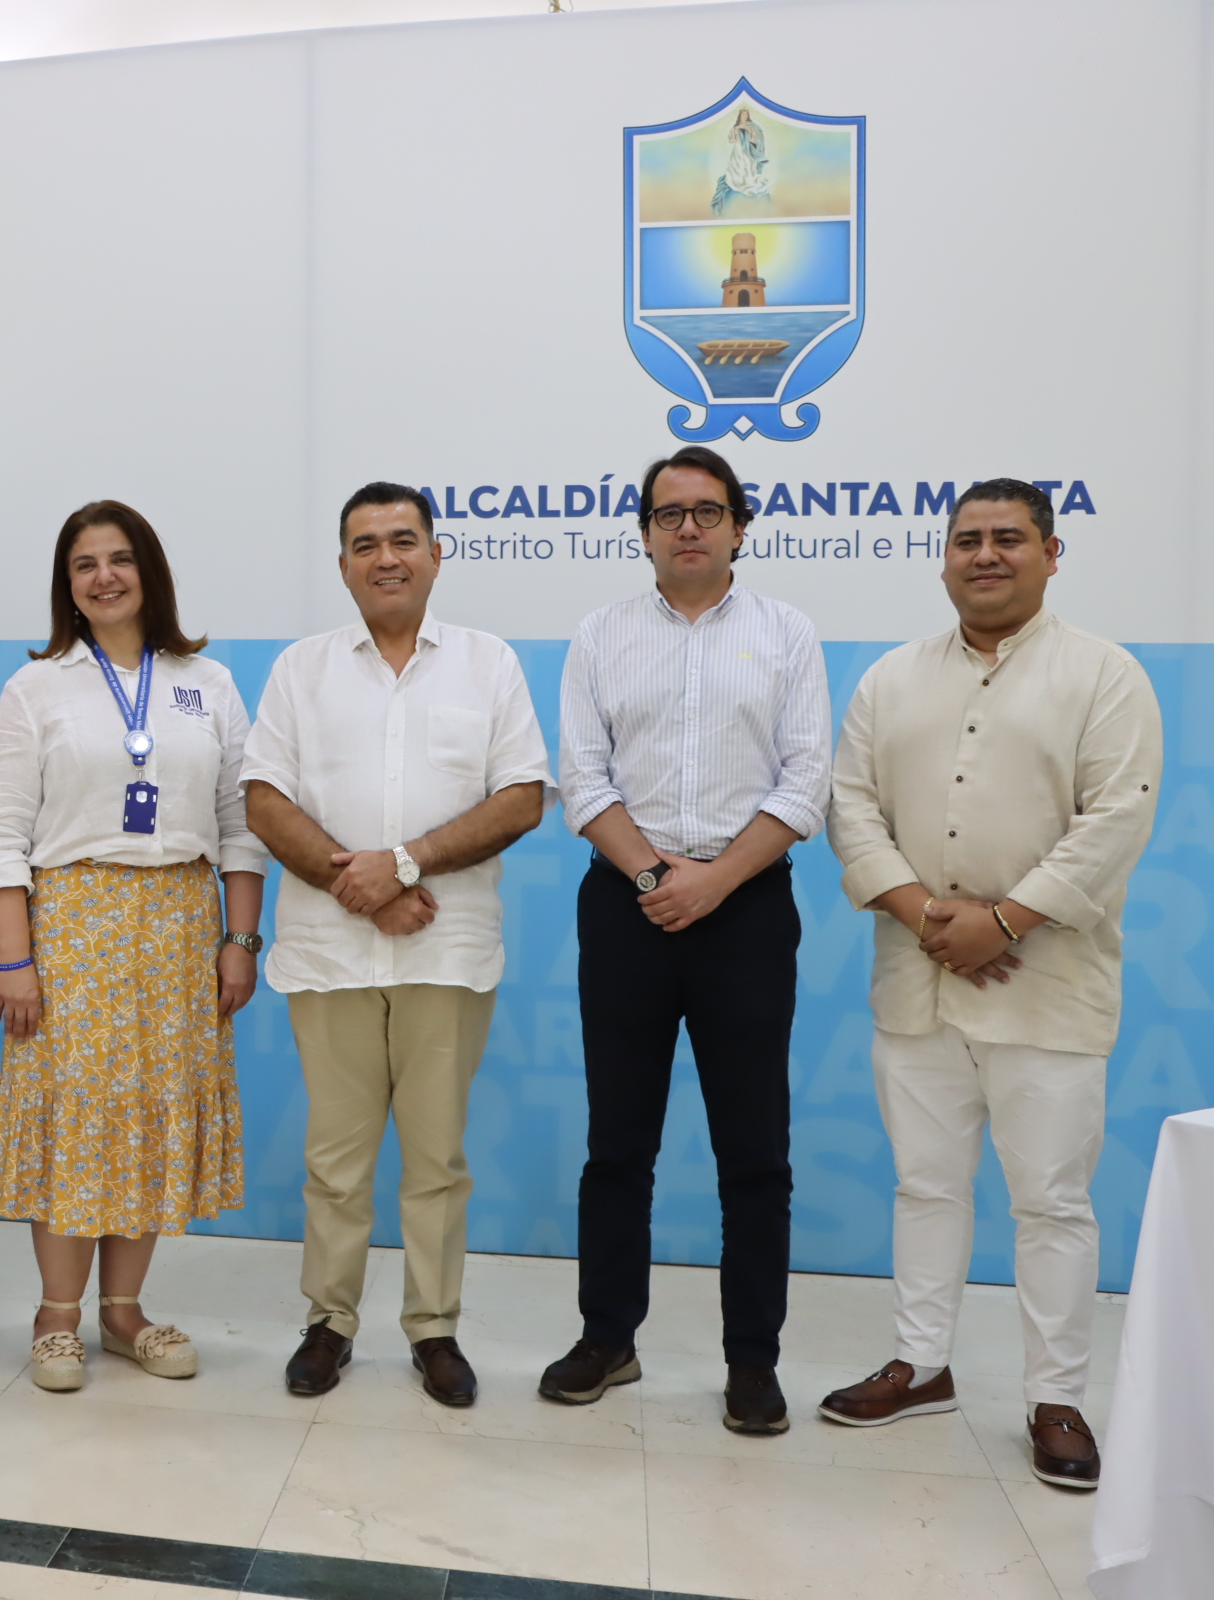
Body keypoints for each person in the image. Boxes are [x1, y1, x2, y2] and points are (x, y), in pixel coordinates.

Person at [819, 480, 1158, 1491]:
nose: (986, 554)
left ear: (1053, 554)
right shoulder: (891, 678)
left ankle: (1056, 1395)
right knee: (924, 1185)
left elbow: (1117, 818)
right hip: (915, 982)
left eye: (1009, 538)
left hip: (1047, 990)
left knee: (1050, 1202)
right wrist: (929, 914)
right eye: (967, 539)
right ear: (943, 558)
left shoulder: (1105, 675)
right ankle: (921, 1364)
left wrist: (1005, 919)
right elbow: (850, 808)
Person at [243, 483, 549, 1402]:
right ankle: (329, 1321)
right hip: (330, 955)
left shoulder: (487, 665)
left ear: (436, 553)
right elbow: (263, 799)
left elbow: (522, 797)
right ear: (342, 566)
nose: (386, 558)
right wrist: (367, 890)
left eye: (403, 540)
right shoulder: (302, 669)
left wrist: (406, 865)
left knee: (436, 1160)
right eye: (366, 544)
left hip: (447, 953)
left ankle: (434, 1329)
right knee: (334, 1161)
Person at [546, 444, 830, 1434]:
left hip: (745, 907)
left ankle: (752, 1359)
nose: (690, 528)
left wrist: (712, 881)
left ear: (740, 526)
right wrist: (660, 877)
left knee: (754, 1151)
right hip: (627, 904)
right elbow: (584, 781)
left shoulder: (788, 635)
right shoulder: (600, 635)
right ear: (645, 532)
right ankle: (607, 1337)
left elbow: (804, 785)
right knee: (617, 1142)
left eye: (708, 511)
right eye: (670, 514)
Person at [0, 499, 262, 1393]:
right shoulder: (36, 687)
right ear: (67, 584)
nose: (104, 576)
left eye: (120, 559)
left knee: (147, 1116)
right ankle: (56, 1319)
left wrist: (238, 938)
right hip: (72, 925)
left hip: (179, 927)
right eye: (84, 563)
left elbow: (240, 827)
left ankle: (123, 1313)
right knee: (74, 1119)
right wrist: (14, 960)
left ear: (150, 571)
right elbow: (2, 838)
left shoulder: (205, 682)